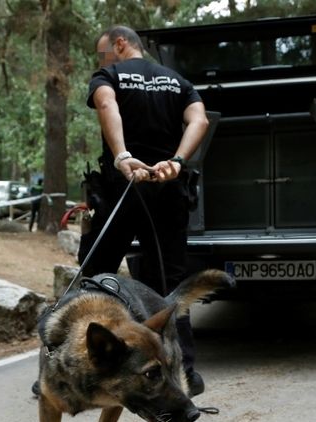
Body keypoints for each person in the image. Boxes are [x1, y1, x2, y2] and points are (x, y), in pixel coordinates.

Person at [80, 25, 210, 392]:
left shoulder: (109, 75)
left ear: (120, 44)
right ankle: (185, 373)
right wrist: (177, 161)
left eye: (102, 52)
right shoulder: (177, 81)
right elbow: (199, 120)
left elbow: (106, 103)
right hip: (168, 193)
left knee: (96, 276)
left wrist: (123, 156)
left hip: (123, 190)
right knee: (168, 285)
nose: (100, 60)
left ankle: (84, 366)